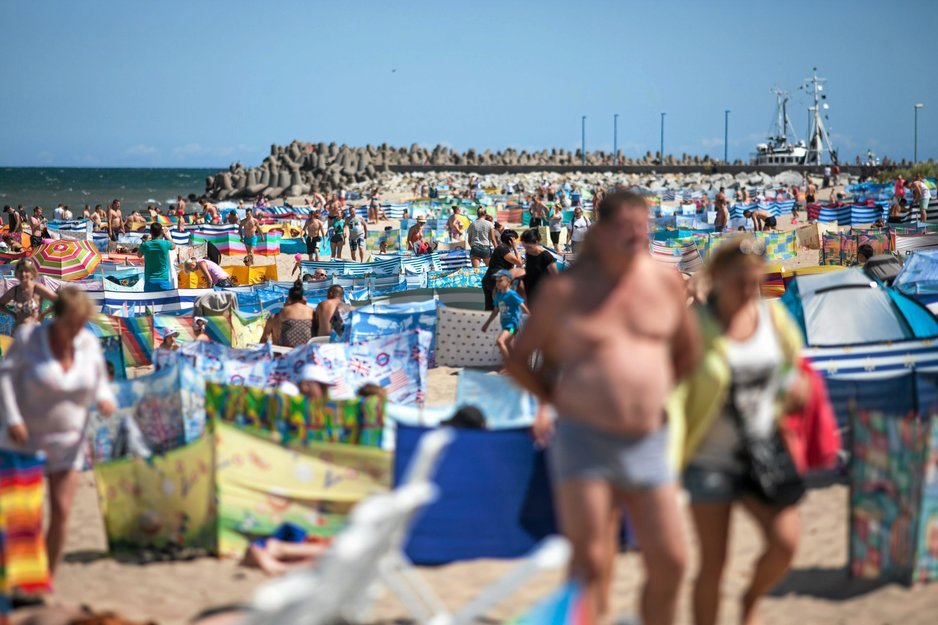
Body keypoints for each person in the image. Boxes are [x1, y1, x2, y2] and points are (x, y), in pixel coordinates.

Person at [504, 191, 701, 625]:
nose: (635, 236)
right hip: (585, 439)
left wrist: (654, 390)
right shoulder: (567, 291)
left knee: (672, 559)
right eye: (625, 227)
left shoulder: (665, 284)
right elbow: (518, 361)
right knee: (591, 562)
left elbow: (688, 351)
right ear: (601, 229)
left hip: (648, 438)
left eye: (642, 227)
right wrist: (556, 399)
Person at [673, 237, 808, 625]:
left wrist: (795, 386)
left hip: (762, 448)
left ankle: (750, 601)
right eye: (739, 282)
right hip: (708, 457)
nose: (749, 290)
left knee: (785, 544)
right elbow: (672, 392)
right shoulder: (696, 326)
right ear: (717, 277)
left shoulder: (772, 317)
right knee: (713, 564)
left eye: (754, 281)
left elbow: (791, 363)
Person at [0, 288, 116, 575]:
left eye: (81, 323)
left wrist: (104, 399)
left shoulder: (87, 342)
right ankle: (20, 575)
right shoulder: (29, 339)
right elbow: (6, 378)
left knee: (62, 510)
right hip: (26, 438)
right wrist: (13, 418)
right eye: (72, 323)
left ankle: (44, 578)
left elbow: (99, 380)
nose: (77, 330)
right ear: (57, 317)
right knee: (23, 513)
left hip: (69, 439)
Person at [481, 270, 529, 361]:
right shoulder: (499, 296)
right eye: (496, 281)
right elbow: (495, 311)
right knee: (507, 344)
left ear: (508, 282)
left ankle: (509, 365)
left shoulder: (512, 294)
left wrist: (530, 317)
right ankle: (515, 362)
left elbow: (522, 306)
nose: (497, 283)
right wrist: (487, 324)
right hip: (505, 324)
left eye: (500, 280)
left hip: (513, 325)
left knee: (500, 341)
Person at [0, 259, 58, 328]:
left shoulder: (37, 288)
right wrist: (12, 314)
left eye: (26, 271)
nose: (23, 274)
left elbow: (60, 300)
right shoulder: (14, 290)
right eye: (20, 271)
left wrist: (44, 314)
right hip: (18, 329)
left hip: (34, 330)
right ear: (16, 273)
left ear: (32, 273)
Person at [260, 280, 315, 348]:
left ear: (289, 299)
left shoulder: (278, 315)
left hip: (283, 350)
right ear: (303, 299)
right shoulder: (310, 311)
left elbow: (264, 340)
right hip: (307, 349)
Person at [481, 229, 523, 311]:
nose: (516, 242)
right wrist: (515, 248)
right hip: (496, 281)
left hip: (489, 279)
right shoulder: (503, 250)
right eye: (515, 240)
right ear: (511, 241)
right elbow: (519, 262)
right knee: (500, 307)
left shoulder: (500, 248)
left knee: (490, 308)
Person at [519, 229, 558, 304]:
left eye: (529, 247)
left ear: (536, 242)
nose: (527, 250)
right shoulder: (528, 253)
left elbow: (555, 276)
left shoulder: (546, 256)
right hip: (529, 290)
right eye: (525, 247)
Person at [136, 222, 176, 291]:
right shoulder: (165, 243)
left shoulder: (145, 245)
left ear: (150, 232)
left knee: (149, 298)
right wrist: (165, 234)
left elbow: (139, 255)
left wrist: (144, 242)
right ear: (161, 232)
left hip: (149, 280)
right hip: (163, 280)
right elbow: (173, 246)